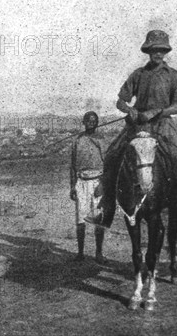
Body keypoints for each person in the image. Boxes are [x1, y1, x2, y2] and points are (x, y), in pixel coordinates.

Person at [86, 29, 177, 227]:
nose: (158, 54)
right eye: (154, 50)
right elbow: (121, 100)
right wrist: (129, 110)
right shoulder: (138, 75)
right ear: (148, 51)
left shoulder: (173, 75)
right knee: (113, 154)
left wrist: (159, 112)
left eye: (162, 50)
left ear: (166, 52)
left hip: (163, 125)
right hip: (137, 125)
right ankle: (107, 210)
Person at [70, 111, 106, 263]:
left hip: (97, 182)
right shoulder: (77, 140)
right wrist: (73, 187)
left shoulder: (101, 140)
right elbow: (72, 166)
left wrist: (103, 184)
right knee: (80, 220)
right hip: (81, 182)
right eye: (88, 121)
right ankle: (80, 253)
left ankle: (98, 253)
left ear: (97, 122)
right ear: (83, 122)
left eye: (94, 120)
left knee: (99, 220)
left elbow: (109, 165)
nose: (91, 123)